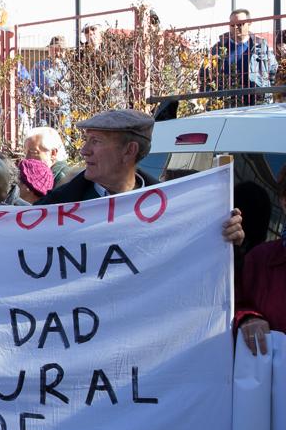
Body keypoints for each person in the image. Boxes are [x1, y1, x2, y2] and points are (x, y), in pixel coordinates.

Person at [35, 110, 245, 240]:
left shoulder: (172, 209)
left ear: (129, 151)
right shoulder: (54, 208)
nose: (84, 150)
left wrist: (225, 239)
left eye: (96, 141)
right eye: (87, 140)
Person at [238, 165, 286, 353]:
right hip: (269, 379)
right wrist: (247, 318)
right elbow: (228, 308)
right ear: (283, 201)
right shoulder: (259, 260)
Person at [206, 8, 279, 106]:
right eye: (232, 24)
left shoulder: (260, 46)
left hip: (256, 100)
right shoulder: (218, 48)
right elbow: (205, 73)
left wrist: (268, 92)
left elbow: (273, 71)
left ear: (249, 23)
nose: (235, 27)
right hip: (226, 101)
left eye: (240, 24)